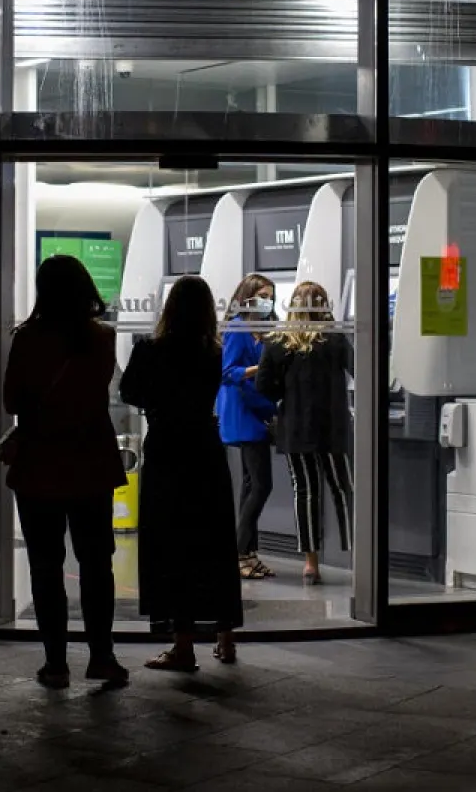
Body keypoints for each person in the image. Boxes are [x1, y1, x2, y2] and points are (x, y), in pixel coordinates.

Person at [4, 255, 130, 689]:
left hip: (39, 461)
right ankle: (102, 656)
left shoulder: (26, 339)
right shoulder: (102, 338)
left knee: (45, 565)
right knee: (97, 564)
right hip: (90, 461)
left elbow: (11, 402)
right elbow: (96, 396)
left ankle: (55, 663)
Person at [121, 275, 243, 670]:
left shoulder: (151, 350)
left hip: (168, 451)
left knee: (171, 546)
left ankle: (183, 644)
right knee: (214, 543)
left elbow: (129, 392)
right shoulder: (213, 351)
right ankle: (225, 638)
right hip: (206, 451)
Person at [257, 281, 355, 586]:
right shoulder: (335, 339)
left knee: (306, 492)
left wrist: (285, 395)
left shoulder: (278, 341)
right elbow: (361, 369)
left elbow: (263, 386)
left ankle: (310, 563)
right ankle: (357, 553)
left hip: (297, 429)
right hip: (333, 428)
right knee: (343, 488)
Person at [219, 274, 279, 581]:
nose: (266, 300)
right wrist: (261, 368)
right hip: (243, 412)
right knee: (261, 484)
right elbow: (229, 372)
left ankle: (249, 554)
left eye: (270, 295)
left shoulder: (264, 328)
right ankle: (239, 552)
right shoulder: (238, 327)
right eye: (261, 295)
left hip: (258, 408)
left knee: (248, 486)